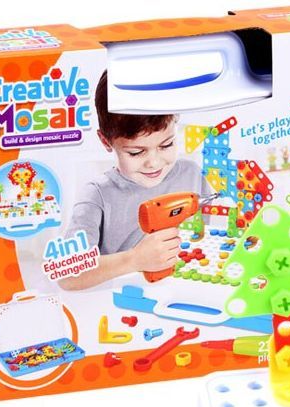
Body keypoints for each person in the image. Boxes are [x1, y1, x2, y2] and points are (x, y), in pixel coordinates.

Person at [59, 71, 210, 290]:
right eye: (136, 152)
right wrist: (135, 259)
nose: (154, 163)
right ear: (106, 141)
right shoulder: (97, 194)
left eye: (166, 145)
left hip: (186, 291)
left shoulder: (193, 174)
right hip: (124, 300)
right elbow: (67, 275)